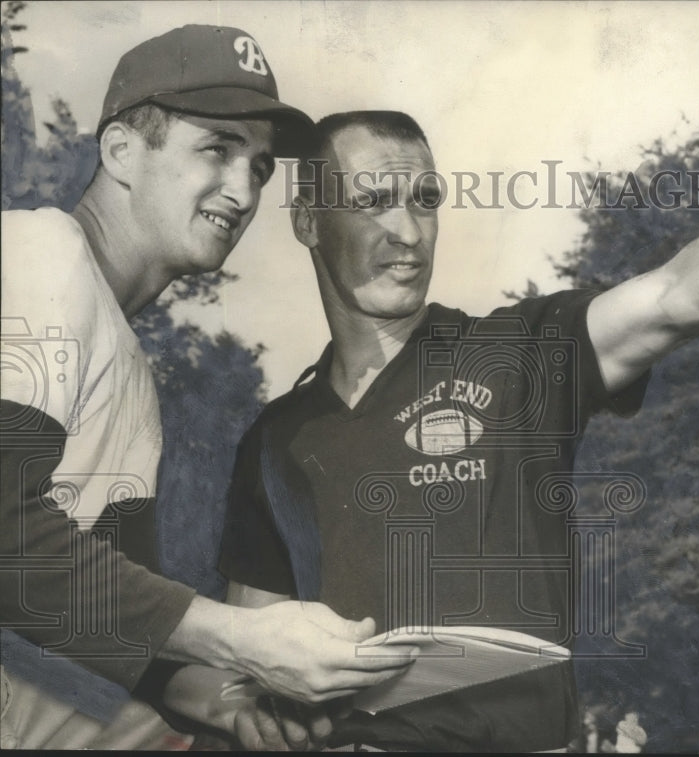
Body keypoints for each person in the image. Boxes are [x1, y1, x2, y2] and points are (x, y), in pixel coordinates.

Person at [173, 111, 699, 751]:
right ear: (310, 220)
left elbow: (679, 293)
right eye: (373, 201)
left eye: (424, 201)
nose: (409, 232)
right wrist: (260, 717)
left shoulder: (519, 354)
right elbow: (249, 654)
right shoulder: (275, 440)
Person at [0, 31, 414, 751]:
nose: (244, 189)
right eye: (216, 149)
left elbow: (113, 624)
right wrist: (240, 634)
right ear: (122, 151)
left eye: (258, 167)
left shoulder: (124, 361)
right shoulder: (40, 252)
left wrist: (229, 707)